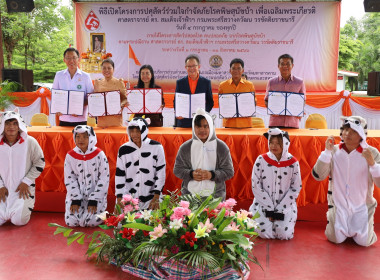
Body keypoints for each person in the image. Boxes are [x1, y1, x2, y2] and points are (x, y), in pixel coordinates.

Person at [312, 116, 380, 246]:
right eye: (345, 129)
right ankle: (333, 219)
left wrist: (373, 165)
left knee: (364, 243)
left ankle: (365, 225)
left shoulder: (372, 153)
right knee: (335, 239)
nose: (347, 134)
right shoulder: (334, 151)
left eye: (353, 131)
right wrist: (326, 152)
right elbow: (318, 176)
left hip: (362, 208)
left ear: (361, 135)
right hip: (339, 207)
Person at [249, 128, 302, 240]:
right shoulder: (261, 160)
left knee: (284, 235)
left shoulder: (293, 163)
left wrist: (280, 209)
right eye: (271, 142)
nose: (274, 146)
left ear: (286, 144)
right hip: (263, 204)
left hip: (285, 206)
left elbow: (296, 187)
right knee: (264, 234)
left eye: (278, 143)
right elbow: (256, 185)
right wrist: (269, 206)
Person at [173, 108, 234, 199]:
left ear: (211, 127)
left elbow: (229, 172)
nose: (202, 130)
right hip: (190, 196)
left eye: (206, 126)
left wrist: (212, 175)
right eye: (198, 126)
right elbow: (177, 170)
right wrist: (191, 174)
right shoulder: (185, 147)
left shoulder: (221, 147)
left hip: (215, 197)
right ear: (194, 127)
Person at [0, 108, 45, 226]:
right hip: (2, 190)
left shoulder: (30, 142)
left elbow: (39, 163)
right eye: (8, 123)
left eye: (15, 123)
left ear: (19, 125)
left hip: (22, 190)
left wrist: (26, 181)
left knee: (19, 221)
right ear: (2, 125)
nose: (11, 127)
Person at [115, 117, 166, 210]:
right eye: (132, 131)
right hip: (129, 197)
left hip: (152, 196)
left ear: (144, 131)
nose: (134, 134)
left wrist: (156, 196)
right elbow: (119, 175)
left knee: (152, 222)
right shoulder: (123, 149)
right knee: (125, 223)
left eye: (138, 131)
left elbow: (161, 173)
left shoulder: (157, 147)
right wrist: (119, 198)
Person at [64, 125, 109, 227]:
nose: (81, 140)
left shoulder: (99, 155)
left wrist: (94, 199)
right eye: (78, 136)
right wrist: (75, 198)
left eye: (85, 137)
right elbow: (69, 179)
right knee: (71, 222)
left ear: (91, 137)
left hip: (95, 196)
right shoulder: (70, 156)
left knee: (91, 222)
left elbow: (104, 178)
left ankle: (104, 213)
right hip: (76, 196)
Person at [52, 47, 94, 126]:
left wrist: (79, 107)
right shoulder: (59, 75)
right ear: (64, 60)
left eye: (74, 58)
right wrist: (57, 108)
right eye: (68, 58)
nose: (71, 61)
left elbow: (91, 97)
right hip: (64, 118)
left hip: (80, 119)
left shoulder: (86, 76)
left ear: (79, 59)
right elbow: (54, 95)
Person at [264, 54, 306, 128]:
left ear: (292, 65)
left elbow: (303, 100)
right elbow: (266, 100)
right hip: (275, 123)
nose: (285, 66)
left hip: (293, 123)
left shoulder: (299, 82)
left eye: (288, 64)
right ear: (278, 66)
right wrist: (271, 109)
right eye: (282, 64)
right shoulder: (271, 82)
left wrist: (299, 110)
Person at [174, 54, 214, 128]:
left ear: (198, 66)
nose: (192, 68)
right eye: (189, 66)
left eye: (194, 66)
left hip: (201, 121)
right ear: (186, 67)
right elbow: (176, 101)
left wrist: (203, 114)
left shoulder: (206, 82)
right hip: (184, 122)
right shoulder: (180, 82)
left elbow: (210, 102)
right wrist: (177, 112)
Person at [219, 58, 255, 128]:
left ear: (243, 70)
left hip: (245, 123)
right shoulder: (223, 85)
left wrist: (249, 103)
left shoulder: (249, 85)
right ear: (230, 70)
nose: (236, 71)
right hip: (229, 123)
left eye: (239, 68)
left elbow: (254, 102)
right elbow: (221, 103)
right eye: (233, 68)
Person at [94, 58, 128, 128]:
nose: (106, 70)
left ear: (113, 69)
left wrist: (120, 106)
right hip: (102, 119)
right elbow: (95, 100)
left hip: (115, 118)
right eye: (104, 68)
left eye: (109, 68)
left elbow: (125, 99)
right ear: (101, 69)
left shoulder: (119, 82)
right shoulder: (98, 83)